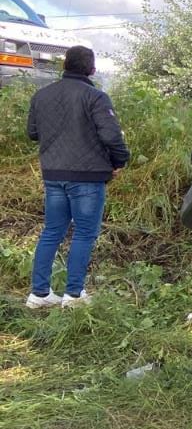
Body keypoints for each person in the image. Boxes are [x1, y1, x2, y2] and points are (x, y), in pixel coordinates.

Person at [25, 45, 129, 309]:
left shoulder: (41, 95)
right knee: (84, 234)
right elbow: (111, 136)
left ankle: (39, 294)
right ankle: (73, 295)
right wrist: (119, 162)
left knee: (51, 232)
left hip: (53, 174)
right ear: (92, 69)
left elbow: (33, 133)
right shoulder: (96, 97)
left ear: (64, 66)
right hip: (88, 177)